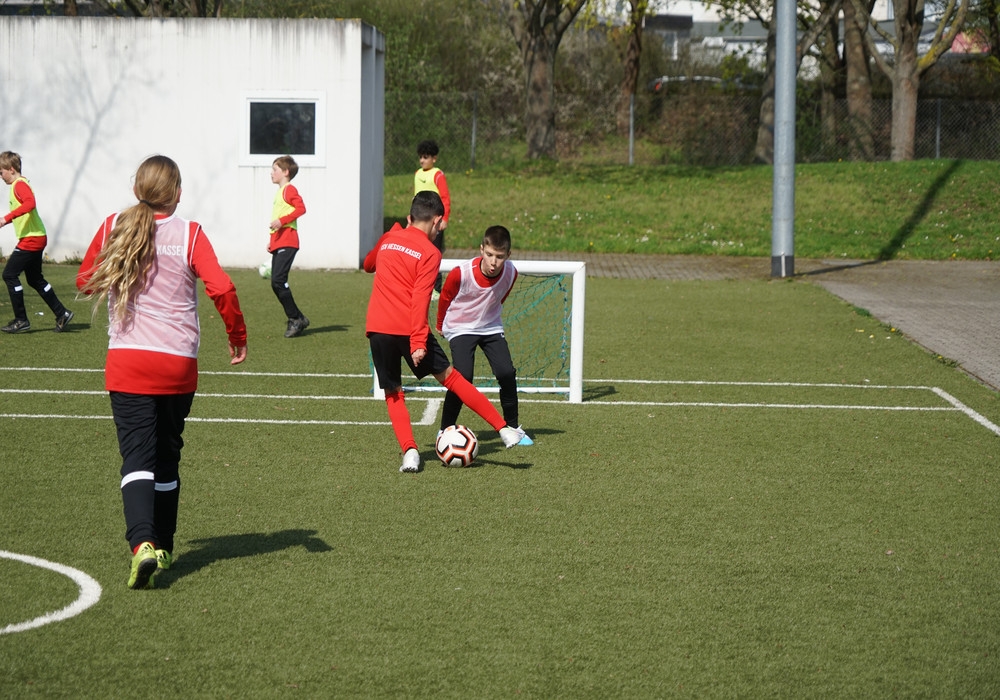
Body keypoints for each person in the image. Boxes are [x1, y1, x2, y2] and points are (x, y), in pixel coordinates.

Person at [77, 155, 248, 590]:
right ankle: (165, 548)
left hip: (128, 361)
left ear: (138, 189)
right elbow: (222, 287)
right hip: (177, 364)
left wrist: (119, 275)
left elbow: (84, 281)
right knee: (168, 455)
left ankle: (142, 545)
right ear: (177, 193)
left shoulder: (114, 225)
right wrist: (237, 335)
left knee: (137, 457)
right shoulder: (190, 233)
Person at [364, 190, 521, 473]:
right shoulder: (430, 252)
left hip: (377, 327)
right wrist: (417, 341)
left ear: (410, 217)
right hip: (409, 327)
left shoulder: (389, 238)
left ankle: (410, 452)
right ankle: (503, 429)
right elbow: (421, 297)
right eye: (441, 224)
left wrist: (391, 234)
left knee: (394, 393)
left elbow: (368, 265)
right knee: (453, 379)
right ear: (436, 220)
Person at [437, 225, 533, 446]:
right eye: (489, 254)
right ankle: (444, 430)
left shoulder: (511, 273)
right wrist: (440, 324)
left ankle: (514, 428)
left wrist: (489, 317)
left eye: (499, 257)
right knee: (462, 377)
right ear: (481, 249)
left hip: (490, 327)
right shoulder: (461, 273)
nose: (493, 262)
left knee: (506, 373)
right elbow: (445, 297)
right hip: (460, 327)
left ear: (508, 255)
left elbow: (500, 297)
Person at [0, 151, 74, 333]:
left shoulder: (19, 185)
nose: (0, 176)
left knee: (9, 275)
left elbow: (30, 203)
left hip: (32, 238)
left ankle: (21, 320)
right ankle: (62, 313)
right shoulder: (21, 183)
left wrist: (5, 218)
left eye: (1, 172)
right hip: (37, 236)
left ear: (11, 169)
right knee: (34, 279)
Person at [268, 155, 310, 338]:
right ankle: (298, 318)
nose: (271, 173)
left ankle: (295, 318)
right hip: (280, 241)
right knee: (275, 283)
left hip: (288, 241)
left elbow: (301, 208)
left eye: (275, 169)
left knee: (278, 280)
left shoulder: (289, 189)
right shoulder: (280, 192)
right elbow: (278, 220)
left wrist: (282, 221)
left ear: (285, 172)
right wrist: (272, 242)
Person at [413, 139, 450, 297]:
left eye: (426, 157)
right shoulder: (417, 174)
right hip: (419, 222)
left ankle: (436, 289)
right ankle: (418, 284)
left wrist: (444, 218)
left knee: (434, 253)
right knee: (417, 252)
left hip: (434, 223)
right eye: (420, 157)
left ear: (434, 158)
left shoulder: (437, 175)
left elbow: (445, 198)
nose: (422, 160)